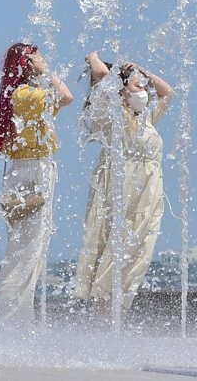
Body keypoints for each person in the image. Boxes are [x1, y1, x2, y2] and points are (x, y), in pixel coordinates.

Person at [73, 51, 173, 317]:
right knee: (113, 253)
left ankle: (113, 318)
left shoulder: (146, 119)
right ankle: (103, 322)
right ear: (120, 89)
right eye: (136, 85)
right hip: (119, 191)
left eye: (142, 86)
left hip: (147, 195)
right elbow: (103, 76)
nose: (143, 90)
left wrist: (143, 71)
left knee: (136, 255)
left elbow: (167, 93)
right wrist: (93, 57)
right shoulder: (111, 113)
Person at [0, 42, 73, 324]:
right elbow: (67, 96)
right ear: (28, 64)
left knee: (23, 250)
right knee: (26, 253)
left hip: (23, 171)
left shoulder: (19, 94)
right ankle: (11, 322)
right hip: (34, 171)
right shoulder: (27, 95)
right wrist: (48, 73)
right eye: (38, 58)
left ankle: (18, 318)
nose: (44, 60)